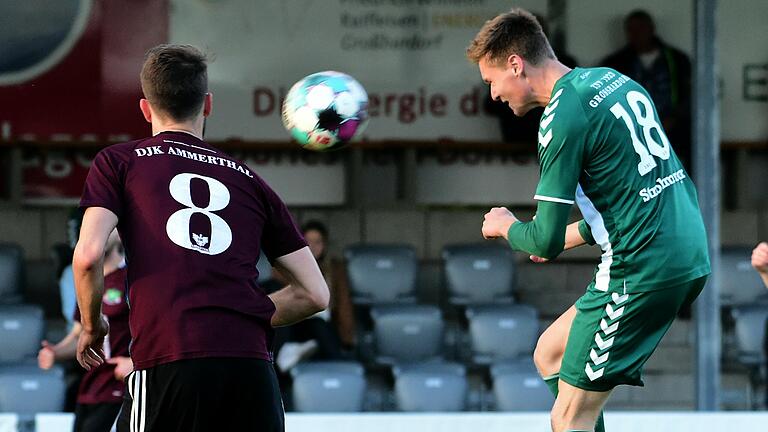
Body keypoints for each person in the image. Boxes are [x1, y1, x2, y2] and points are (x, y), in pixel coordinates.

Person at [467, 9, 710, 432]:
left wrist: (507, 226)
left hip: (640, 270)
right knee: (550, 353)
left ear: (515, 64)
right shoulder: (613, 80)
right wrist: (567, 235)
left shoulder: (562, 116)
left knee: (568, 419)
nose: (493, 96)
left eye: (491, 82)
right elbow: (631, 201)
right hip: (685, 249)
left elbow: (542, 243)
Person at [73, 44, 329, 432]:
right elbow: (315, 294)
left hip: (169, 358)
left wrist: (93, 327)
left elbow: (89, 255)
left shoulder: (120, 161)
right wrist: (242, 315)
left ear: (145, 108)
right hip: (250, 368)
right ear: (208, 105)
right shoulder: (251, 180)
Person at [39, 230, 132, 432]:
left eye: (110, 225)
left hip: (122, 390)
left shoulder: (133, 278)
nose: (100, 231)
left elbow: (160, 330)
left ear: (120, 233)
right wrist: (55, 352)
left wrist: (135, 363)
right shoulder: (89, 283)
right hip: (90, 387)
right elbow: (80, 335)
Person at [600, 10, 692, 174]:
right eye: (631, 30)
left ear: (652, 29)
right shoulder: (616, 62)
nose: (636, 34)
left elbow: (690, 95)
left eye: (641, 28)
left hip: (673, 131)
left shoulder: (677, 59)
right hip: (630, 133)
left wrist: (673, 119)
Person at [272, 220, 355, 372]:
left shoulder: (335, 268)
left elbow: (344, 304)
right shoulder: (287, 266)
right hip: (297, 322)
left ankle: (338, 372)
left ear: (325, 245)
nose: (313, 246)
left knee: (320, 327)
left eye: (318, 242)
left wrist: (347, 339)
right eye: (309, 241)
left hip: (323, 323)